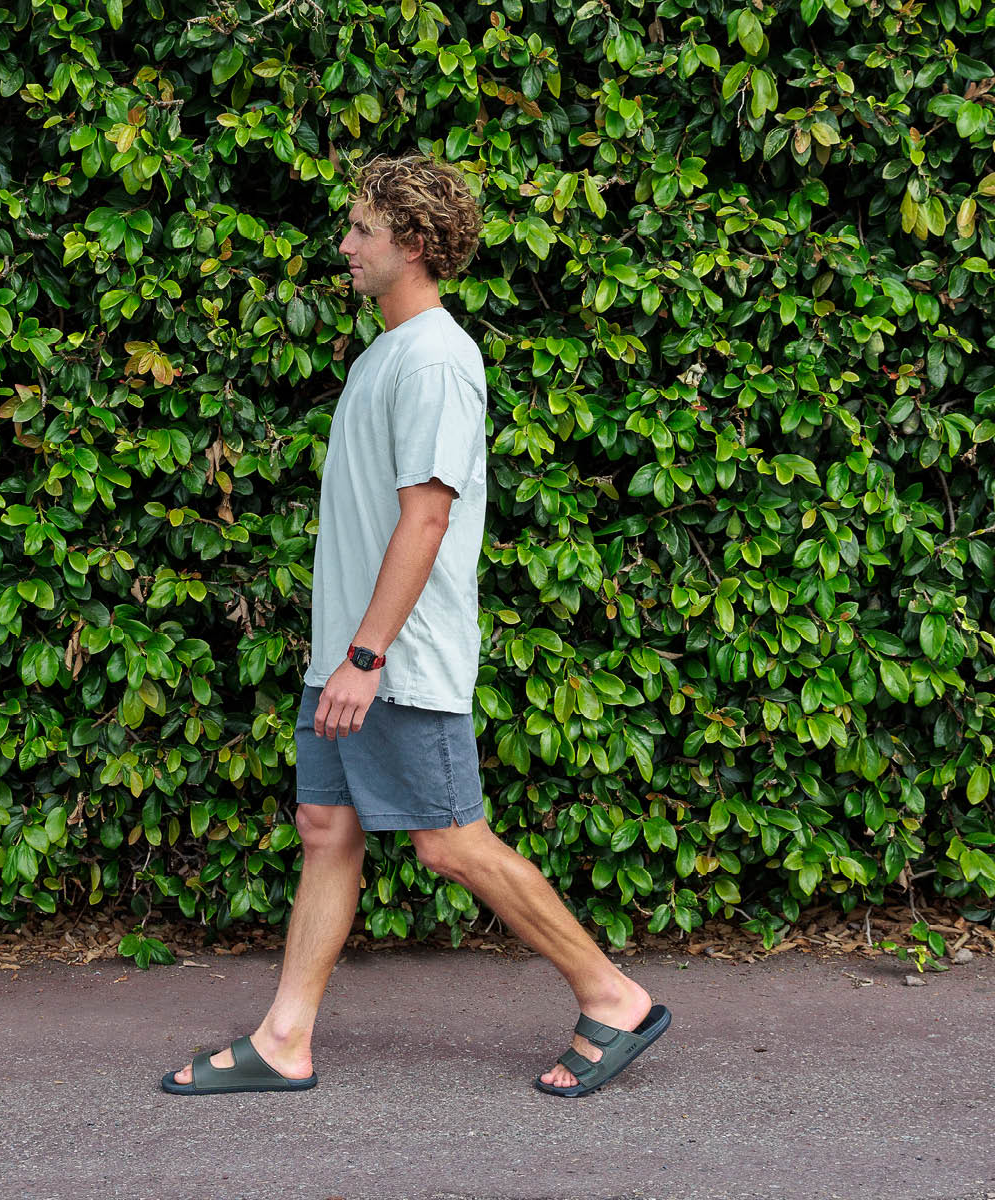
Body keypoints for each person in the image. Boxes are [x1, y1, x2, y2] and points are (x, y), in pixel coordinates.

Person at [161, 154, 669, 1099]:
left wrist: (367, 656)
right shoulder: (386, 353)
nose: (345, 245)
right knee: (326, 826)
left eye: (363, 229)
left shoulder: (437, 356)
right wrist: (343, 656)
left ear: (417, 243)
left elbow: (427, 518)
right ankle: (285, 1040)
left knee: (448, 841)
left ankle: (612, 995)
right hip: (349, 655)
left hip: (393, 658)